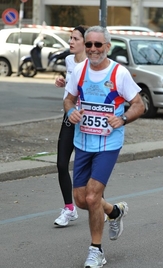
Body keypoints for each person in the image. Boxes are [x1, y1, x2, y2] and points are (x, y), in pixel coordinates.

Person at [64, 26, 145, 267]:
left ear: (107, 47)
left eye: (98, 45)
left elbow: (139, 105)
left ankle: (96, 250)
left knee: (92, 196)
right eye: (89, 44)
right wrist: (71, 111)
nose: (92, 49)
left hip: (109, 143)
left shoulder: (119, 73)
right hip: (83, 141)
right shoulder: (79, 70)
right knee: (80, 200)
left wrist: (123, 119)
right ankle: (114, 211)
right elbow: (68, 98)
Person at [54, 25, 87, 227]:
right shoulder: (68, 60)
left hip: (87, 122)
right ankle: (69, 209)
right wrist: (64, 82)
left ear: (85, 42)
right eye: (71, 38)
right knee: (61, 164)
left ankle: (98, 206)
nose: (71, 42)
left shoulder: (92, 64)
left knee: (88, 169)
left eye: (75, 38)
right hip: (69, 118)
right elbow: (73, 86)